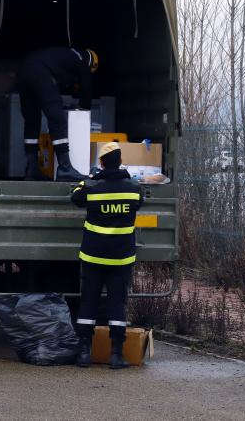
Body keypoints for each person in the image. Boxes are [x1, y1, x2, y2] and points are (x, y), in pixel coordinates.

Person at [71, 142, 143, 369]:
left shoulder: (92, 187)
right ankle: (116, 355)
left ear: (101, 162)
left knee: (89, 302)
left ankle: (84, 353)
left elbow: (75, 197)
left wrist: (89, 178)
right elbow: (139, 203)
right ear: (120, 161)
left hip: (93, 256)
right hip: (121, 258)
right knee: (117, 305)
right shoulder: (133, 188)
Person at [17, 47, 99, 181]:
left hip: (23, 71)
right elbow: (87, 88)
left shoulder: (64, 55)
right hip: (40, 72)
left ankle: (31, 169)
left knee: (32, 121)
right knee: (57, 119)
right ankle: (65, 168)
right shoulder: (84, 60)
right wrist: (83, 111)